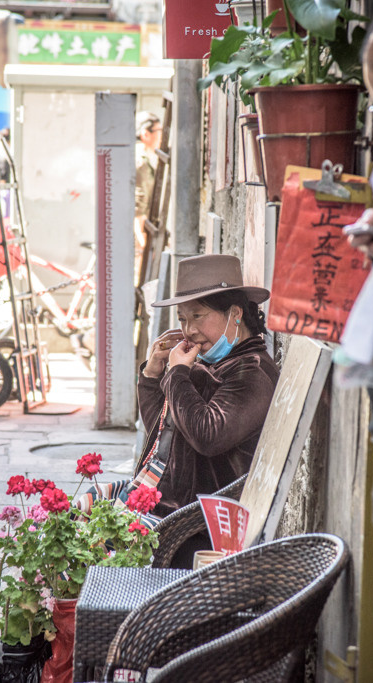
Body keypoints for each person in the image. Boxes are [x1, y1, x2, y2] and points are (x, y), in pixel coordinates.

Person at [77, 254, 279, 526]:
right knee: (78, 513)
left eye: (198, 316)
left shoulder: (251, 371)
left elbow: (208, 435)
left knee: (92, 543)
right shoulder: (211, 364)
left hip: (197, 521)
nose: (189, 330)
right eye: (182, 319)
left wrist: (177, 373)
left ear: (235, 314)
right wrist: (152, 374)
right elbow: (164, 433)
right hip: (171, 499)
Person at [133, 111, 161, 272]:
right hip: (138, 238)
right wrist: (145, 243)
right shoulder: (140, 162)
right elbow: (138, 208)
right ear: (146, 134)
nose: (162, 136)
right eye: (158, 131)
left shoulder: (140, 157)